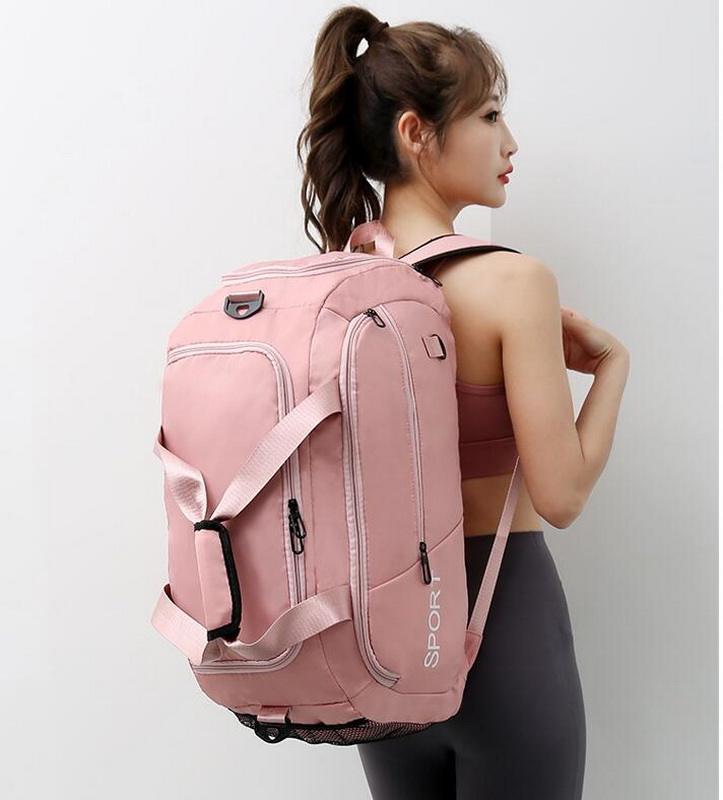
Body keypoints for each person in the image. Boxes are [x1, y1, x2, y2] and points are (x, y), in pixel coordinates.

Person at [295, 7, 630, 799]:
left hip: (381, 644)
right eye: (487, 115)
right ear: (416, 132)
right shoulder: (511, 282)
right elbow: (561, 496)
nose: (508, 142)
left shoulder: (336, 289)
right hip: (502, 625)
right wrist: (612, 367)